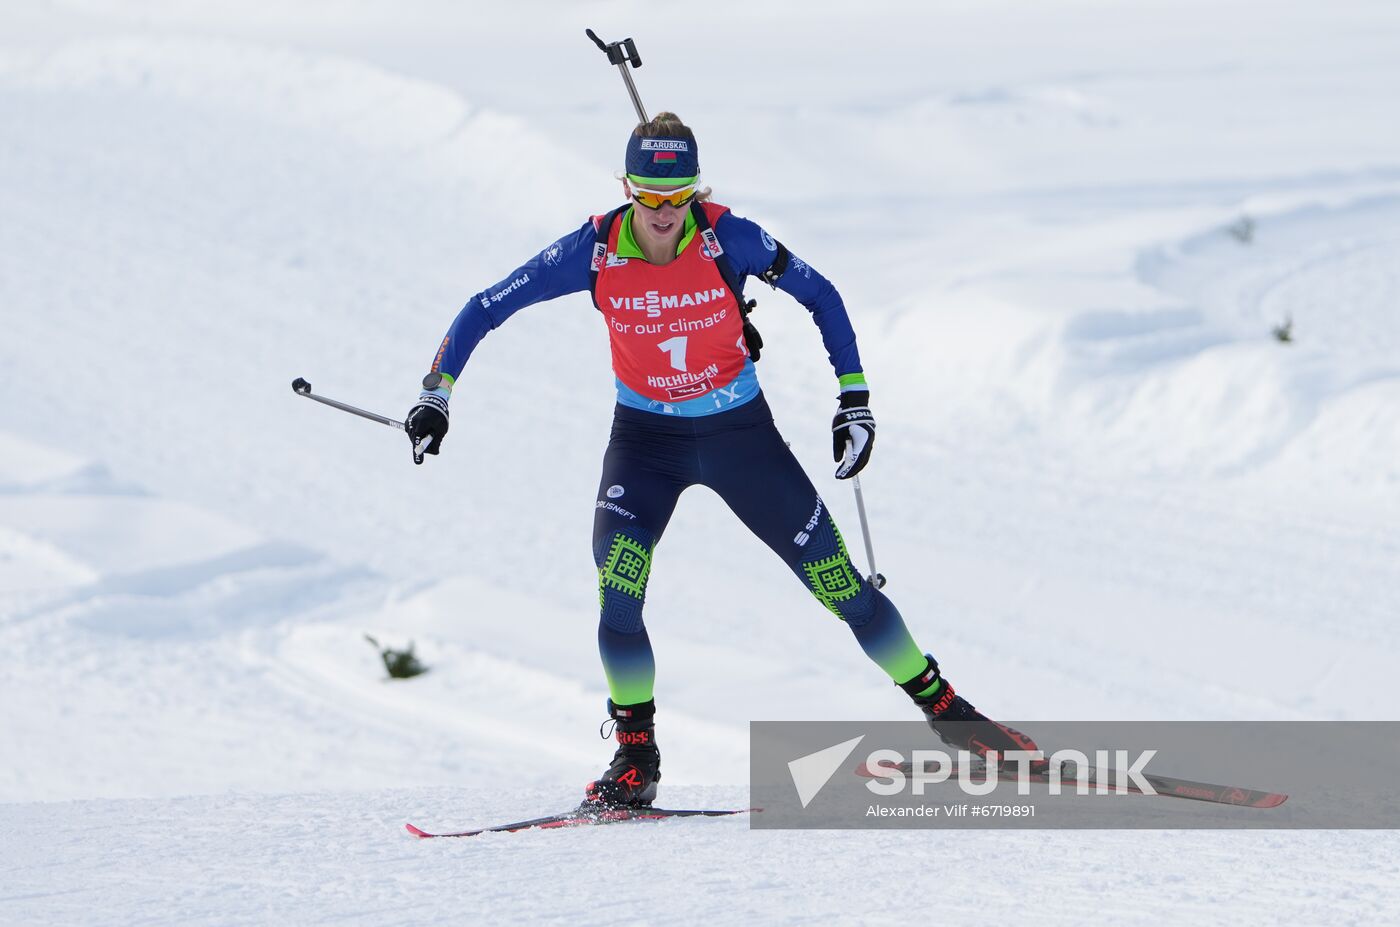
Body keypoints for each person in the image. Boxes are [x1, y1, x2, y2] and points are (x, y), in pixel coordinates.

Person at [406, 113, 1035, 807]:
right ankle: (635, 754)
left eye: (680, 198)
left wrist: (853, 400)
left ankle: (951, 715)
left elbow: (822, 295)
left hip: (741, 439)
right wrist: (438, 394)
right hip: (645, 445)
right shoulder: (590, 251)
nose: (665, 216)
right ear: (626, 188)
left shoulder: (726, 235)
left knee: (841, 587)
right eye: (649, 198)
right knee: (619, 580)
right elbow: (484, 307)